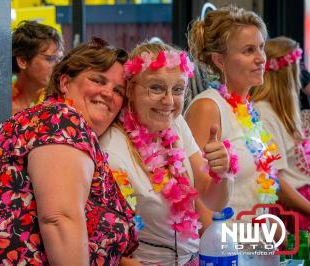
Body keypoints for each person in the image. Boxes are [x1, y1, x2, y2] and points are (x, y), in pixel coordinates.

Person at [0, 38, 138, 265]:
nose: (108, 93)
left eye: (118, 90)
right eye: (98, 80)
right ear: (65, 83)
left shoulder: (48, 121)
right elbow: (60, 220)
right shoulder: (61, 119)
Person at [100, 41, 234, 266]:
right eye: (156, 87)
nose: (169, 101)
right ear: (131, 88)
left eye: (178, 89)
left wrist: (222, 172)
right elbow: (105, 245)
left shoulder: (176, 124)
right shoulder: (112, 150)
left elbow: (214, 200)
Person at [186, 5, 281, 229]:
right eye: (248, 50)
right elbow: (197, 194)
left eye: (261, 47)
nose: (260, 58)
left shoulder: (247, 108)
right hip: (227, 251)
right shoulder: (208, 107)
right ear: (219, 61)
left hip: (256, 246)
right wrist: (217, 251)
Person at [250, 36, 310, 232]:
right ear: (288, 74)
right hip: (295, 211)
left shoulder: (280, 111)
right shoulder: (265, 115)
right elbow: (278, 181)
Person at [12, 20, 64, 114]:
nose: (59, 66)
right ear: (22, 61)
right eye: (50, 59)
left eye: (60, 59)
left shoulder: (63, 102)